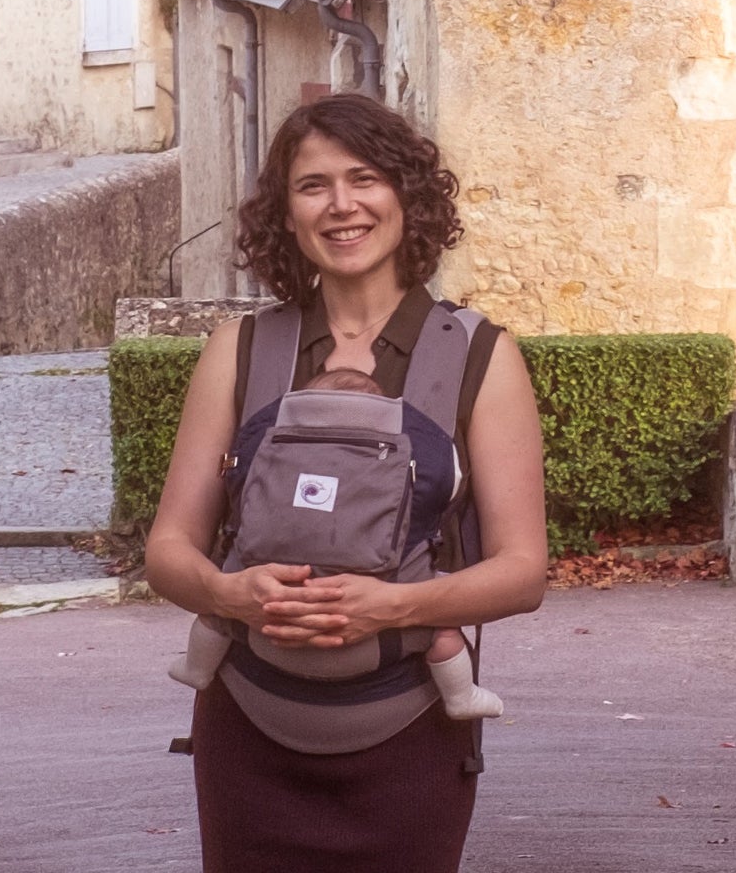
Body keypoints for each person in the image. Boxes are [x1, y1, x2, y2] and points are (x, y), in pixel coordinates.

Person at [144, 93, 548, 873]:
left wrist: (394, 606)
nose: (341, 205)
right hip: (247, 732)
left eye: (364, 178)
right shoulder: (241, 348)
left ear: (406, 194)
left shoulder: (481, 358)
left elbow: (522, 572)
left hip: (410, 740)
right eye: (312, 185)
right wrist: (231, 596)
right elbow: (168, 549)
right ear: (285, 214)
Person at [167, 365, 505, 721]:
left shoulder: (271, 432)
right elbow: (446, 489)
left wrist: (223, 593)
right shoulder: (409, 440)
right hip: (380, 580)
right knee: (444, 630)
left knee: (217, 612)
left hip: (275, 576)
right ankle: (460, 695)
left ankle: (196, 668)